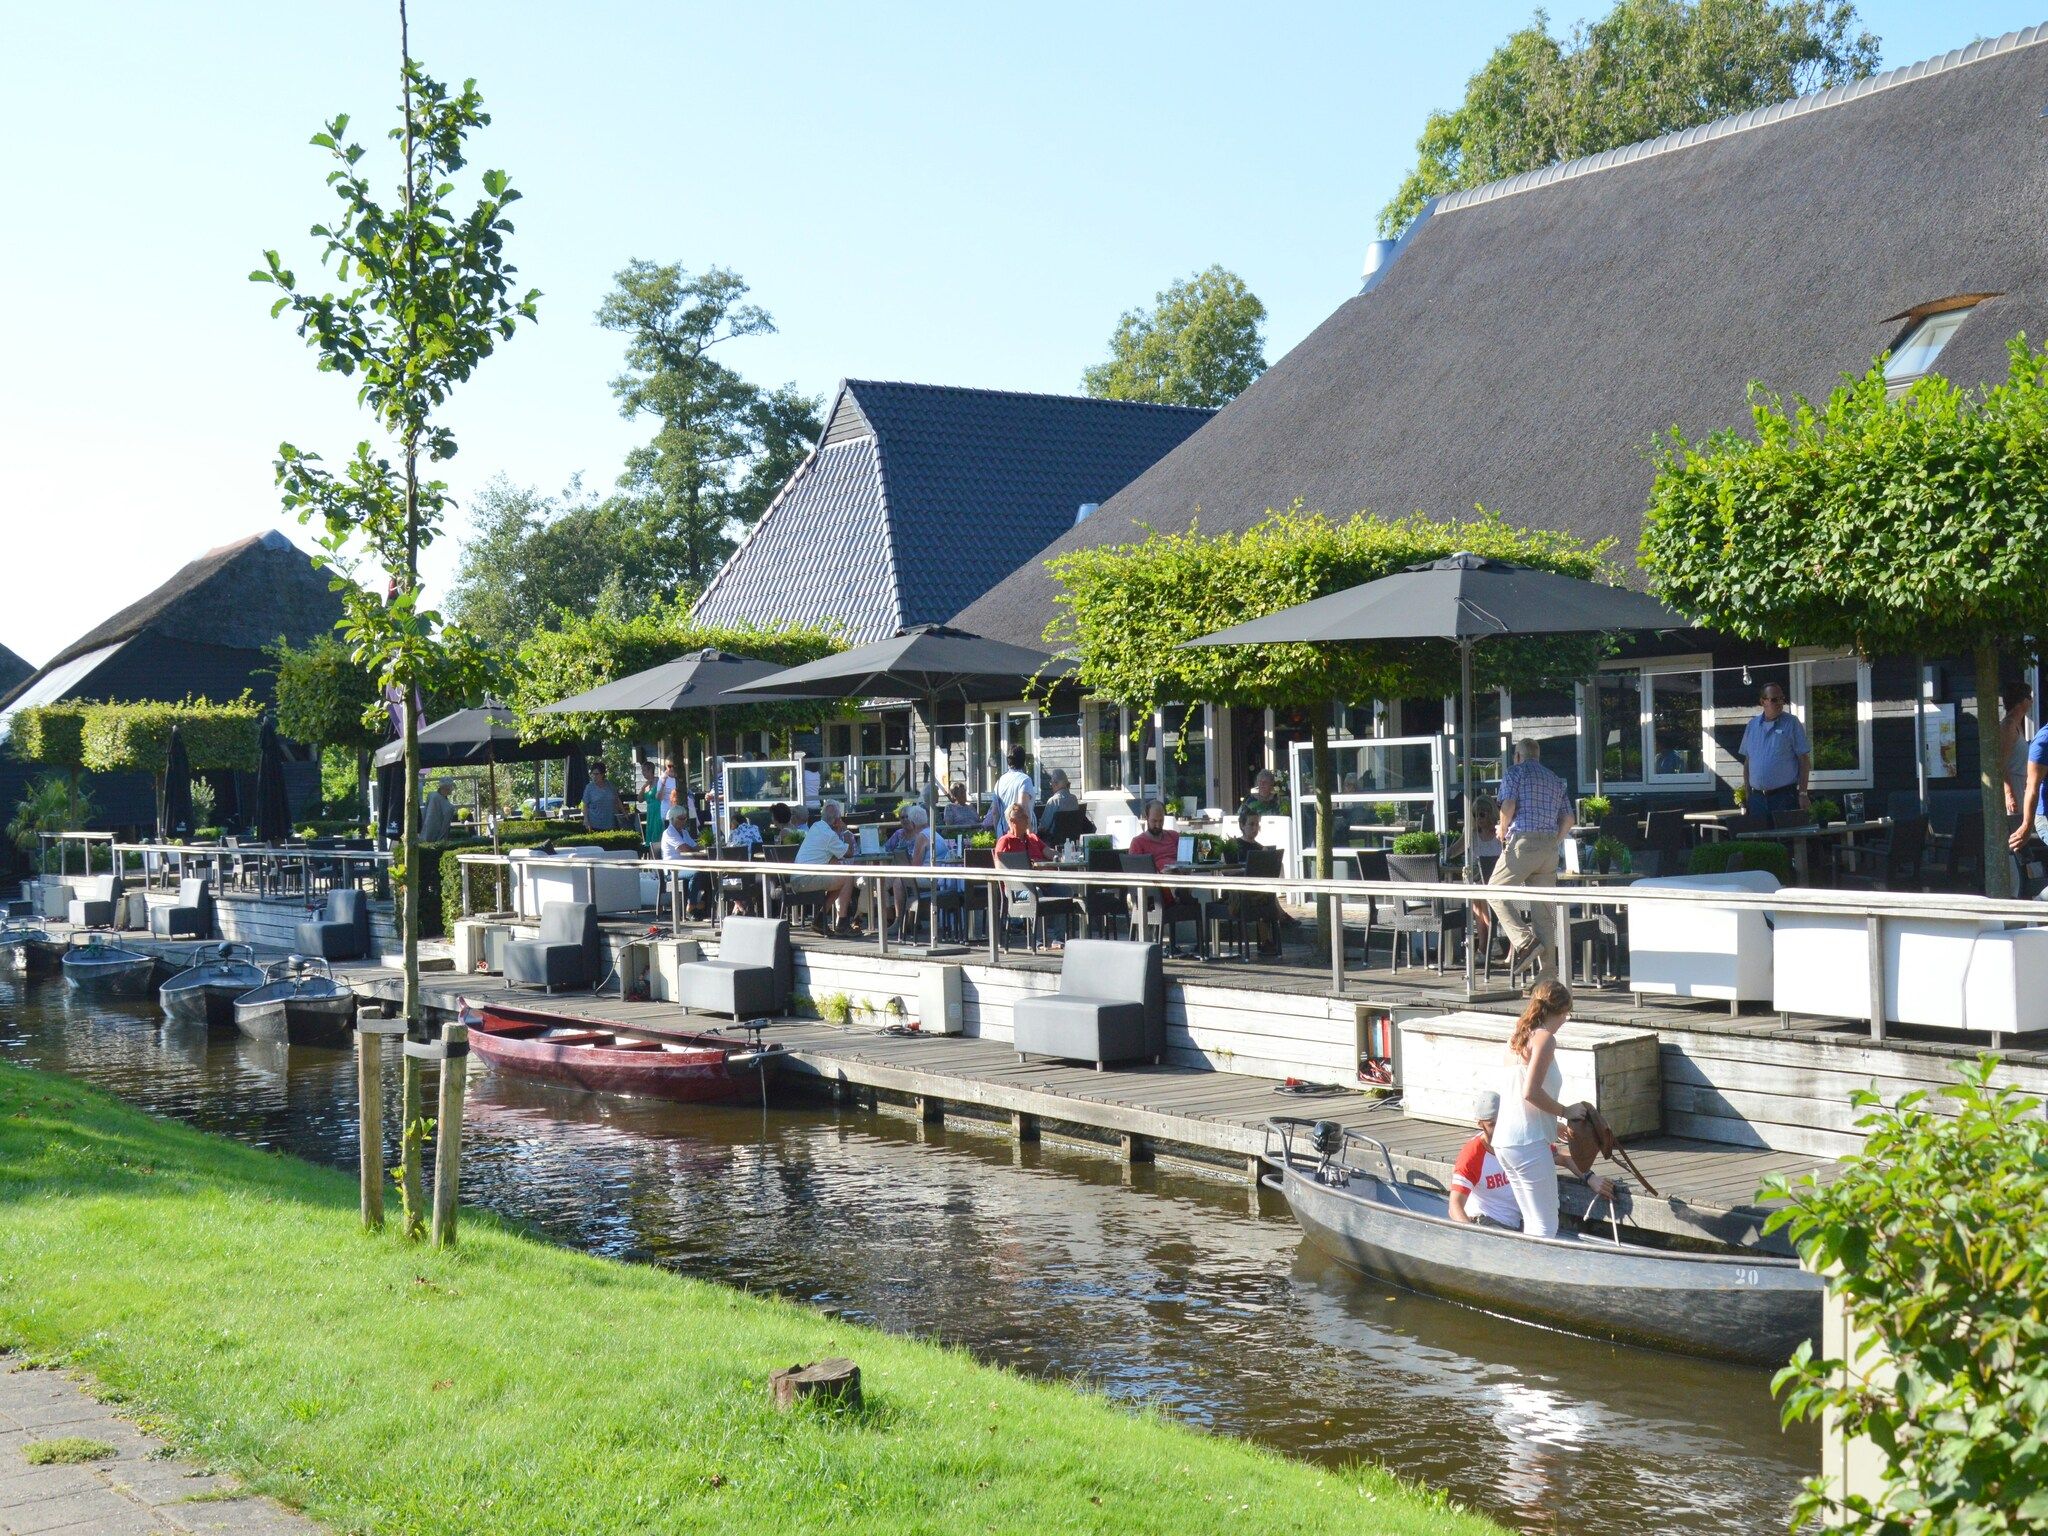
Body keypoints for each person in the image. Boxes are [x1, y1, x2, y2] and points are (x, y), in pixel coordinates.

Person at [1491, 980, 1598, 1238]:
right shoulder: (1546, 1039)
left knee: (1532, 1222)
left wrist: (1553, 1123)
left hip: (1506, 1143)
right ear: (1562, 1011)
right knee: (1546, 1225)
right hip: (1528, 1143)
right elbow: (1530, 1092)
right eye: (1567, 1014)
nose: (1565, 1020)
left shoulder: (1517, 1037)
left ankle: (1525, 1273)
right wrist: (1565, 1111)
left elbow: (1520, 1094)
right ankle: (1538, 1277)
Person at [1449, 1088, 1612, 1229]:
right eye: (1492, 1124)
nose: (1499, 1128)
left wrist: (1590, 1178)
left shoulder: (1518, 1142)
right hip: (1486, 1224)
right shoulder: (1472, 1154)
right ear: (1480, 1124)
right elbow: (1455, 1206)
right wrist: (1472, 1235)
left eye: (1502, 1120)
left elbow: (1563, 1156)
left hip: (1517, 1225)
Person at [1487, 739, 1574, 975]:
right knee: (1544, 914)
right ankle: (1547, 978)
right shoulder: (1555, 779)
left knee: (1493, 891)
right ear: (1538, 756)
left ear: (1518, 756)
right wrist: (1553, 841)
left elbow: (1509, 804)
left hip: (1523, 843)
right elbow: (1568, 819)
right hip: (1549, 849)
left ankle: (1525, 942)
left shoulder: (1515, 772)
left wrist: (1502, 831)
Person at [1737, 684, 1809, 825]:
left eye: (1782, 699)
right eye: (1775, 699)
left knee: (1786, 841)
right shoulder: (1752, 726)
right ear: (1763, 702)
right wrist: (1748, 795)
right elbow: (1747, 762)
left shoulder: (1791, 723)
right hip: (1757, 798)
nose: (1780, 703)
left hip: (1784, 796)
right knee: (1761, 843)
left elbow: (1804, 760)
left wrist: (1803, 793)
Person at [792, 798, 859, 934]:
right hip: (805, 880)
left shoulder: (816, 826)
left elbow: (831, 857)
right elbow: (850, 853)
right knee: (847, 876)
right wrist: (845, 831)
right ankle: (842, 922)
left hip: (799, 877)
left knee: (841, 874)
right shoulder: (829, 836)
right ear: (836, 821)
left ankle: (821, 919)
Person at [2002, 685, 2036, 824]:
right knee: (2015, 831)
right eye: (2029, 698)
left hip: (2022, 785)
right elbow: (2001, 763)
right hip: (2014, 786)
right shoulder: (2008, 726)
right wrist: (2009, 794)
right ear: (2020, 702)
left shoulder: (2018, 725)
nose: (2032, 702)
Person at [984, 747, 1036, 830]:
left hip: (1003, 834)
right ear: (1024, 761)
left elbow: (994, 812)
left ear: (1008, 762)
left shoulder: (999, 781)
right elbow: (1023, 808)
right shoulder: (1025, 780)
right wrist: (1029, 834)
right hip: (1020, 835)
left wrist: (999, 833)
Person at [580, 761, 624, 831]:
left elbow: (617, 800)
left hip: (611, 823)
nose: (594, 776)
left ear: (603, 774)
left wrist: (624, 813)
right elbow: (585, 804)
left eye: (597, 774)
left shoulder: (610, 785)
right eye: (593, 774)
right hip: (595, 823)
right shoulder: (589, 787)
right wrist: (586, 819)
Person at [1035, 767, 1079, 836]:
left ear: (1055, 784)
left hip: (1053, 841)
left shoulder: (1054, 801)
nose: (1051, 785)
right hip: (1072, 839)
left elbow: (1043, 827)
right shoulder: (1074, 799)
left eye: (1051, 783)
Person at [419, 778, 456, 843]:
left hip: (425, 833)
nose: (452, 789)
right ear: (446, 788)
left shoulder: (431, 795)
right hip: (432, 836)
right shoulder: (449, 807)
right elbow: (444, 829)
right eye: (451, 786)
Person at [640, 760, 664, 856]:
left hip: (658, 809)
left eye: (645, 770)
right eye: (642, 770)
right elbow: (640, 800)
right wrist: (643, 788)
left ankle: (659, 854)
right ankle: (652, 856)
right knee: (650, 833)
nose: (643, 773)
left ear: (651, 770)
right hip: (650, 812)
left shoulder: (657, 781)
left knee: (658, 832)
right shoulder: (646, 785)